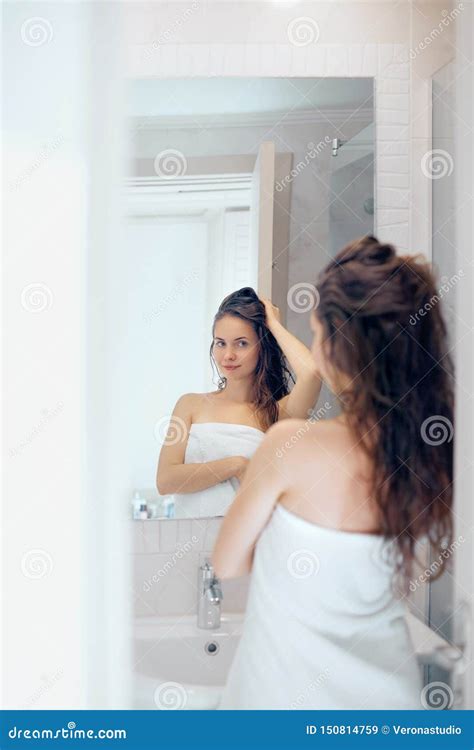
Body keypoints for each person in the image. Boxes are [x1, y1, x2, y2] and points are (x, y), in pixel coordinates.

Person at [213, 235, 454, 709]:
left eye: (319, 331)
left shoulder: (291, 444)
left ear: (333, 346)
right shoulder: (425, 458)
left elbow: (226, 564)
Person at [156, 286, 322, 517]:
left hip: (249, 545)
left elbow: (312, 372)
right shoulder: (190, 405)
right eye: (220, 343)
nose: (228, 355)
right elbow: (166, 481)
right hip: (189, 544)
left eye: (241, 343)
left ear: (262, 346)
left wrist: (272, 324)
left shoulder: (277, 413)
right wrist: (236, 466)